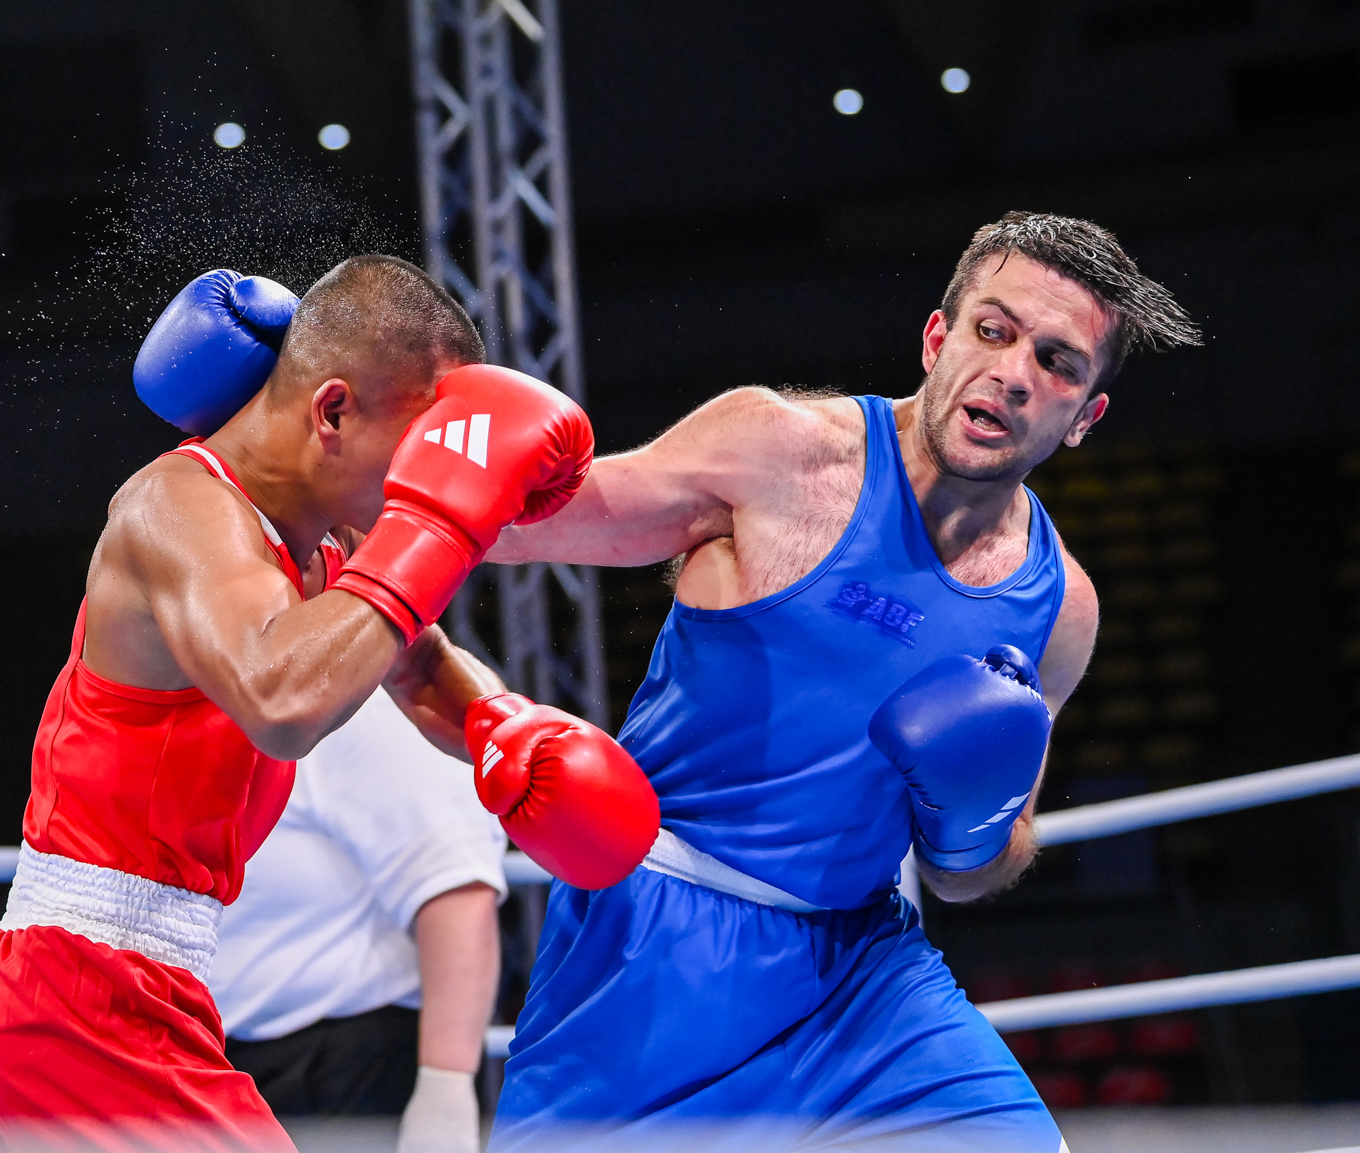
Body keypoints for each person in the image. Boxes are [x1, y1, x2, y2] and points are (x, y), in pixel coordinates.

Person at [482, 213, 1203, 1151]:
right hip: (652, 942)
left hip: (864, 975)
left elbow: (971, 871)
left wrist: (972, 820)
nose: (1014, 373)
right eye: (992, 330)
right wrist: (346, 493)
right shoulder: (780, 452)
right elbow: (520, 527)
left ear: (1083, 418)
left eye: (1057, 363)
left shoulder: (1058, 608)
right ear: (937, 338)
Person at [0, 255, 659, 1152]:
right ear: (333, 412)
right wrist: (436, 527)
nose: (420, 481)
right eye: (419, 450)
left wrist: (500, 726)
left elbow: (418, 662)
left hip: (96, 989)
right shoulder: (178, 506)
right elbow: (279, 698)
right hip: (85, 992)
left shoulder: (324, 543)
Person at [211, 688, 506, 1153]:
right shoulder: (209, 708)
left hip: (346, 1071)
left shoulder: (373, 712)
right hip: (224, 1065)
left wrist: (446, 1085)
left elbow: (457, 893)